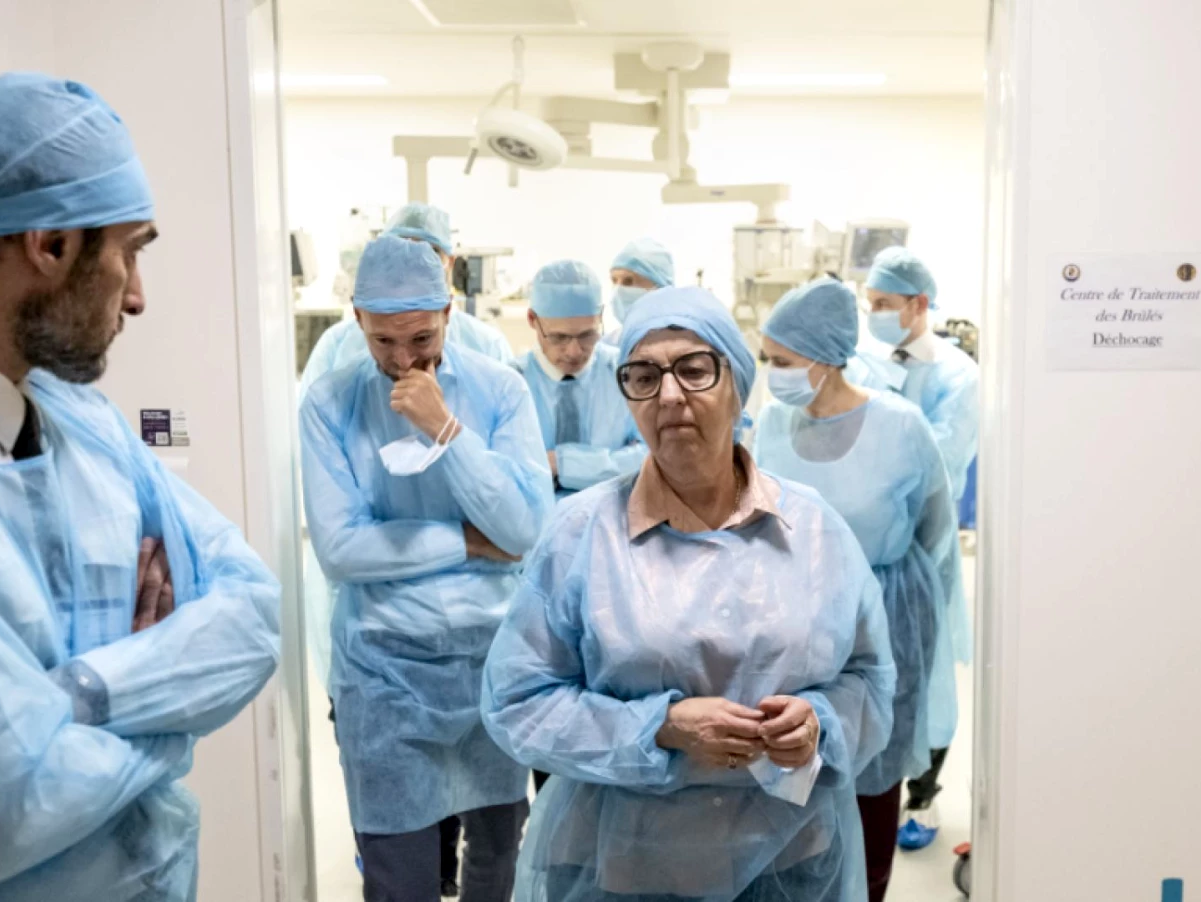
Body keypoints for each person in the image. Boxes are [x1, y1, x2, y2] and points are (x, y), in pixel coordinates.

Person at [0, 73, 281, 900]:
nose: (137, 297)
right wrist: (166, 702)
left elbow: (252, 616)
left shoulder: (80, 420)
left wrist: (71, 699)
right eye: (130, 250)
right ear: (51, 244)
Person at [481, 286, 897, 901]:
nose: (669, 395)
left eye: (694, 369)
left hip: (792, 864)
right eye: (643, 375)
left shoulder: (812, 530)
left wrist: (819, 725)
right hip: (629, 866)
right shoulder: (582, 535)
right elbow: (519, 701)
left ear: (737, 384)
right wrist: (658, 729)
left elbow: (869, 678)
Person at [299, 233, 554, 902]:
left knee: (498, 859)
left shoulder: (500, 391)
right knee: (400, 880)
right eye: (384, 341)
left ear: (449, 312)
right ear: (356, 320)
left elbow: (527, 527)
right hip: (387, 675)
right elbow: (341, 549)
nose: (403, 358)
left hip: (493, 664)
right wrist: (470, 542)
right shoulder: (329, 405)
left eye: (420, 337)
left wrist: (447, 432)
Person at [752, 278, 961, 901]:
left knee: (871, 778)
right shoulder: (771, 423)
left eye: (782, 362)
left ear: (823, 357)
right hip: (792, 625)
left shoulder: (901, 426)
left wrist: (897, 604)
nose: (772, 374)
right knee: (794, 775)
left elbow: (936, 530)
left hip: (886, 623)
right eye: (768, 360)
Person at [863, 246, 979, 851]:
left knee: (926, 676)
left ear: (919, 305)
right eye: (871, 303)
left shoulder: (958, 375)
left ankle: (925, 798)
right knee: (867, 671)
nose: (875, 314)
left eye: (885, 304)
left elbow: (938, 458)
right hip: (863, 551)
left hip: (924, 548)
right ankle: (870, 788)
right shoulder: (859, 363)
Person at [299, 203, 514, 390]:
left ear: (450, 262)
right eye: (383, 340)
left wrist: (444, 427)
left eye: (429, 254)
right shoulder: (337, 345)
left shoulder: (487, 345)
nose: (413, 264)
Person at [514, 260, 645, 501]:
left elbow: (651, 458)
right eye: (559, 337)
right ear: (533, 320)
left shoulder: (629, 375)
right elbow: (510, 472)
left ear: (601, 316)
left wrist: (562, 464)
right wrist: (611, 463)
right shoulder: (510, 384)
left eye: (588, 335)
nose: (574, 352)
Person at [601, 237, 674, 347]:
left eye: (628, 281)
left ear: (659, 288)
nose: (618, 290)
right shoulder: (608, 346)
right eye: (614, 280)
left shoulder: (682, 342)